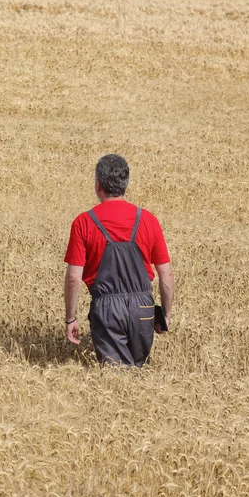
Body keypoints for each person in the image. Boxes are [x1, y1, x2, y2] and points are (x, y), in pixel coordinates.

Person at [63, 154, 174, 366]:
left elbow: (73, 279)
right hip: (143, 309)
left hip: (107, 310)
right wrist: (166, 315)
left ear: (98, 185)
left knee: (114, 379)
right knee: (138, 373)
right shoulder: (148, 220)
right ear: (125, 184)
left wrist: (71, 318)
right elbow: (166, 273)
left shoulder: (83, 223)